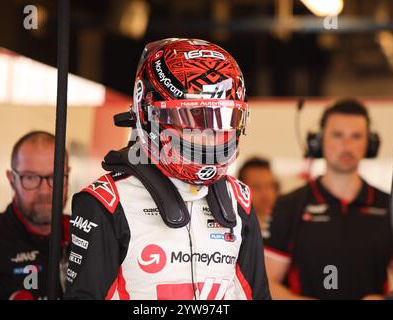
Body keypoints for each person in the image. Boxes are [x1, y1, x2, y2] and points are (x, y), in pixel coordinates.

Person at [64, 38, 271, 300]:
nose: (209, 136)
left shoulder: (238, 200)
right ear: (150, 116)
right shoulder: (107, 202)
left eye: (223, 121)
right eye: (193, 121)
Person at [264, 99, 393, 300]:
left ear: (370, 143)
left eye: (356, 136)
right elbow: (265, 283)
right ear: (319, 141)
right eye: (337, 135)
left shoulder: (392, 207)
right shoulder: (290, 205)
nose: (347, 145)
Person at [0, 131, 70, 300]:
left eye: (55, 177)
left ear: (67, 176)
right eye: (30, 177)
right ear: (12, 179)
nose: (45, 191)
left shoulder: (88, 235)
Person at [238, 157, 279, 238]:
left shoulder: (289, 224)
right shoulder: (233, 228)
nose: (265, 193)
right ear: (240, 190)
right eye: (256, 187)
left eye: (269, 185)